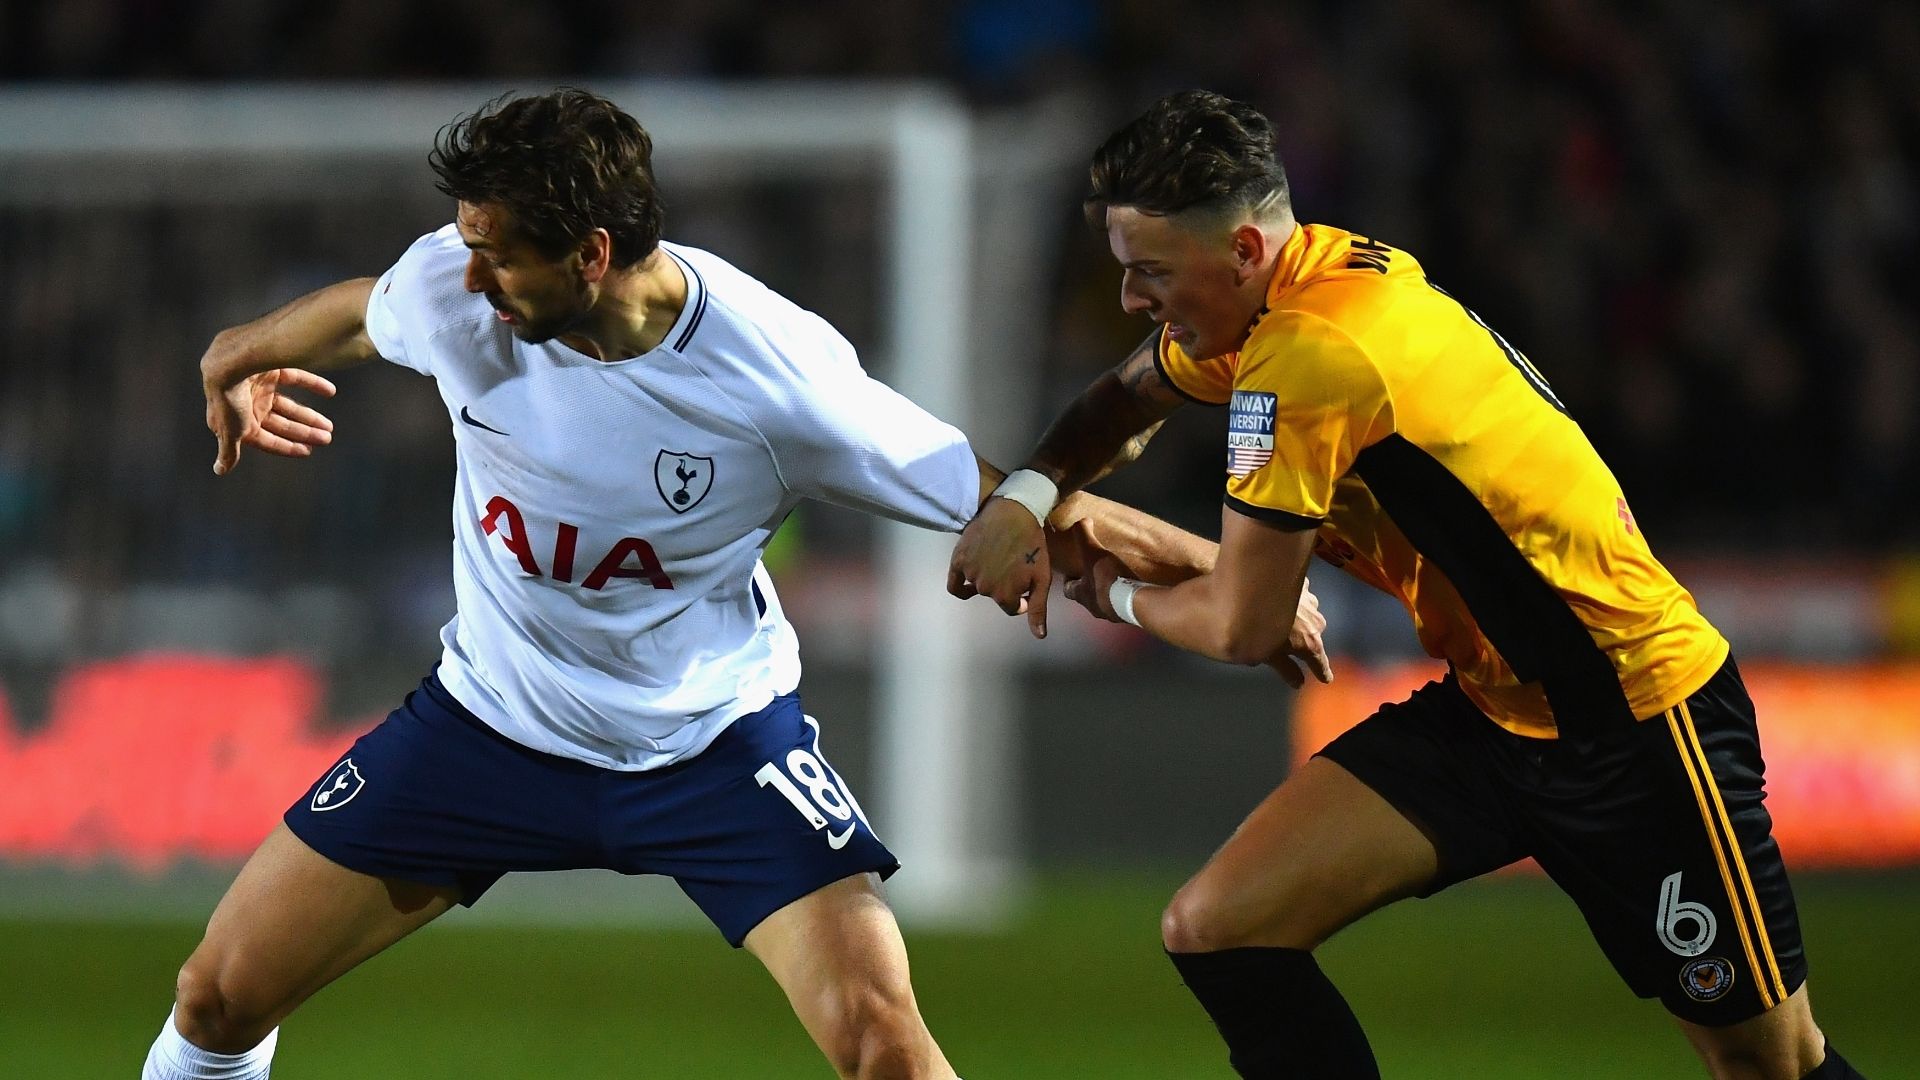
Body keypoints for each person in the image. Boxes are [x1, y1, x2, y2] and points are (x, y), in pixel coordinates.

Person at [147, 86, 1133, 1080]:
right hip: (490, 728)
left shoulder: (777, 381)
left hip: (712, 746)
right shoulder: (455, 287)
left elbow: (1018, 502)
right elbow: (368, 315)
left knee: (885, 1047)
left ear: (592, 255)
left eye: (500, 258)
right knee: (216, 997)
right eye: (467, 244)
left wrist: (1238, 585)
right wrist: (240, 349)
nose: (471, 278)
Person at [948, 89, 1866, 1080]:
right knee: (1221, 927)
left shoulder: (1311, 355)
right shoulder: (1293, 293)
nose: (1132, 301)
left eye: (1149, 275)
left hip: (1636, 720)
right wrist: (1032, 495)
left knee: (1773, 1069)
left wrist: (1108, 591)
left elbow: (1245, 630)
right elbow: (1120, 402)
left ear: (1245, 252)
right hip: (1494, 715)